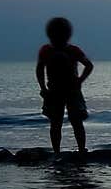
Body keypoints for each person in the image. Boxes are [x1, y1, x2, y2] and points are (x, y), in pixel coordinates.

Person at [35, 17, 94, 154]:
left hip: (71, 91)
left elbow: (88, 65)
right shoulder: (46, 50)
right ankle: (58, 151)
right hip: (54, 91)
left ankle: (80, 149)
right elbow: (40, 69)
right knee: (57, 123)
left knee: (75, 121)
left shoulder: (73, 50)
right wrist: (43, 88)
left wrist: (80, 81)